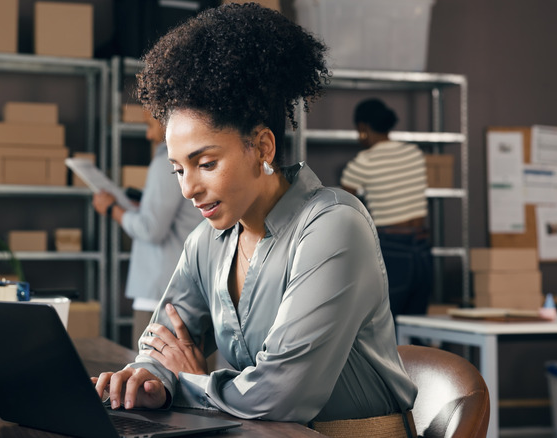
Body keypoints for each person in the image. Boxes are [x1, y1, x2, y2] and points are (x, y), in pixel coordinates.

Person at [93, 3, 417, 433]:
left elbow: (281, 394)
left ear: (262, 148)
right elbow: (160, 341)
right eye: (177, 169)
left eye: (205, 163)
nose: (188, 188)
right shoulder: (207, 243)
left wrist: (188, 381)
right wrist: (147, 376)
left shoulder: (334, 227)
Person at [92, 113, 201, 347]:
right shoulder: (193, 158)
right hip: (180, 292)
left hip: (160, 295)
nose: (149, 135)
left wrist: (112, 209)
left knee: (147, 377)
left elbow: (151, 229)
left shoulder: (167, 162)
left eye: (150, 125)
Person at [340, 98, 433, 318]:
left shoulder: (364, 161)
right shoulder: (414, 153)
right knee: (417, 325)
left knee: (387, 324)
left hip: (391, 247)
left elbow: (343, 206)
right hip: (422, 245)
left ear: (363, 128)